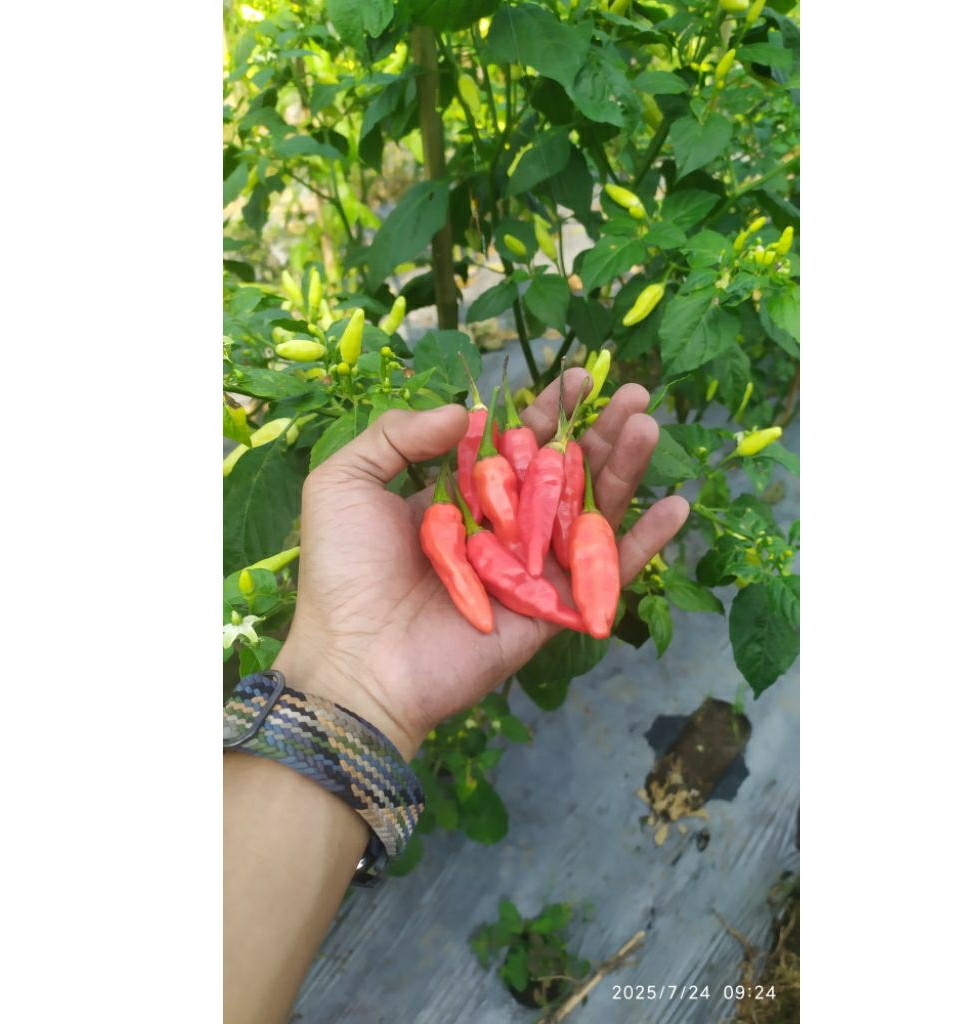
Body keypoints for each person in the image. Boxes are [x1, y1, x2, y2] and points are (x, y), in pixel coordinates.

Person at [224, 368, 689, 1024]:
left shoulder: (505, 489)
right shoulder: (464, 508)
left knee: (543, 529)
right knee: (532, 533)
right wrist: (349, 679)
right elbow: (525, 547)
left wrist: (346, 683)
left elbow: (535, 543)